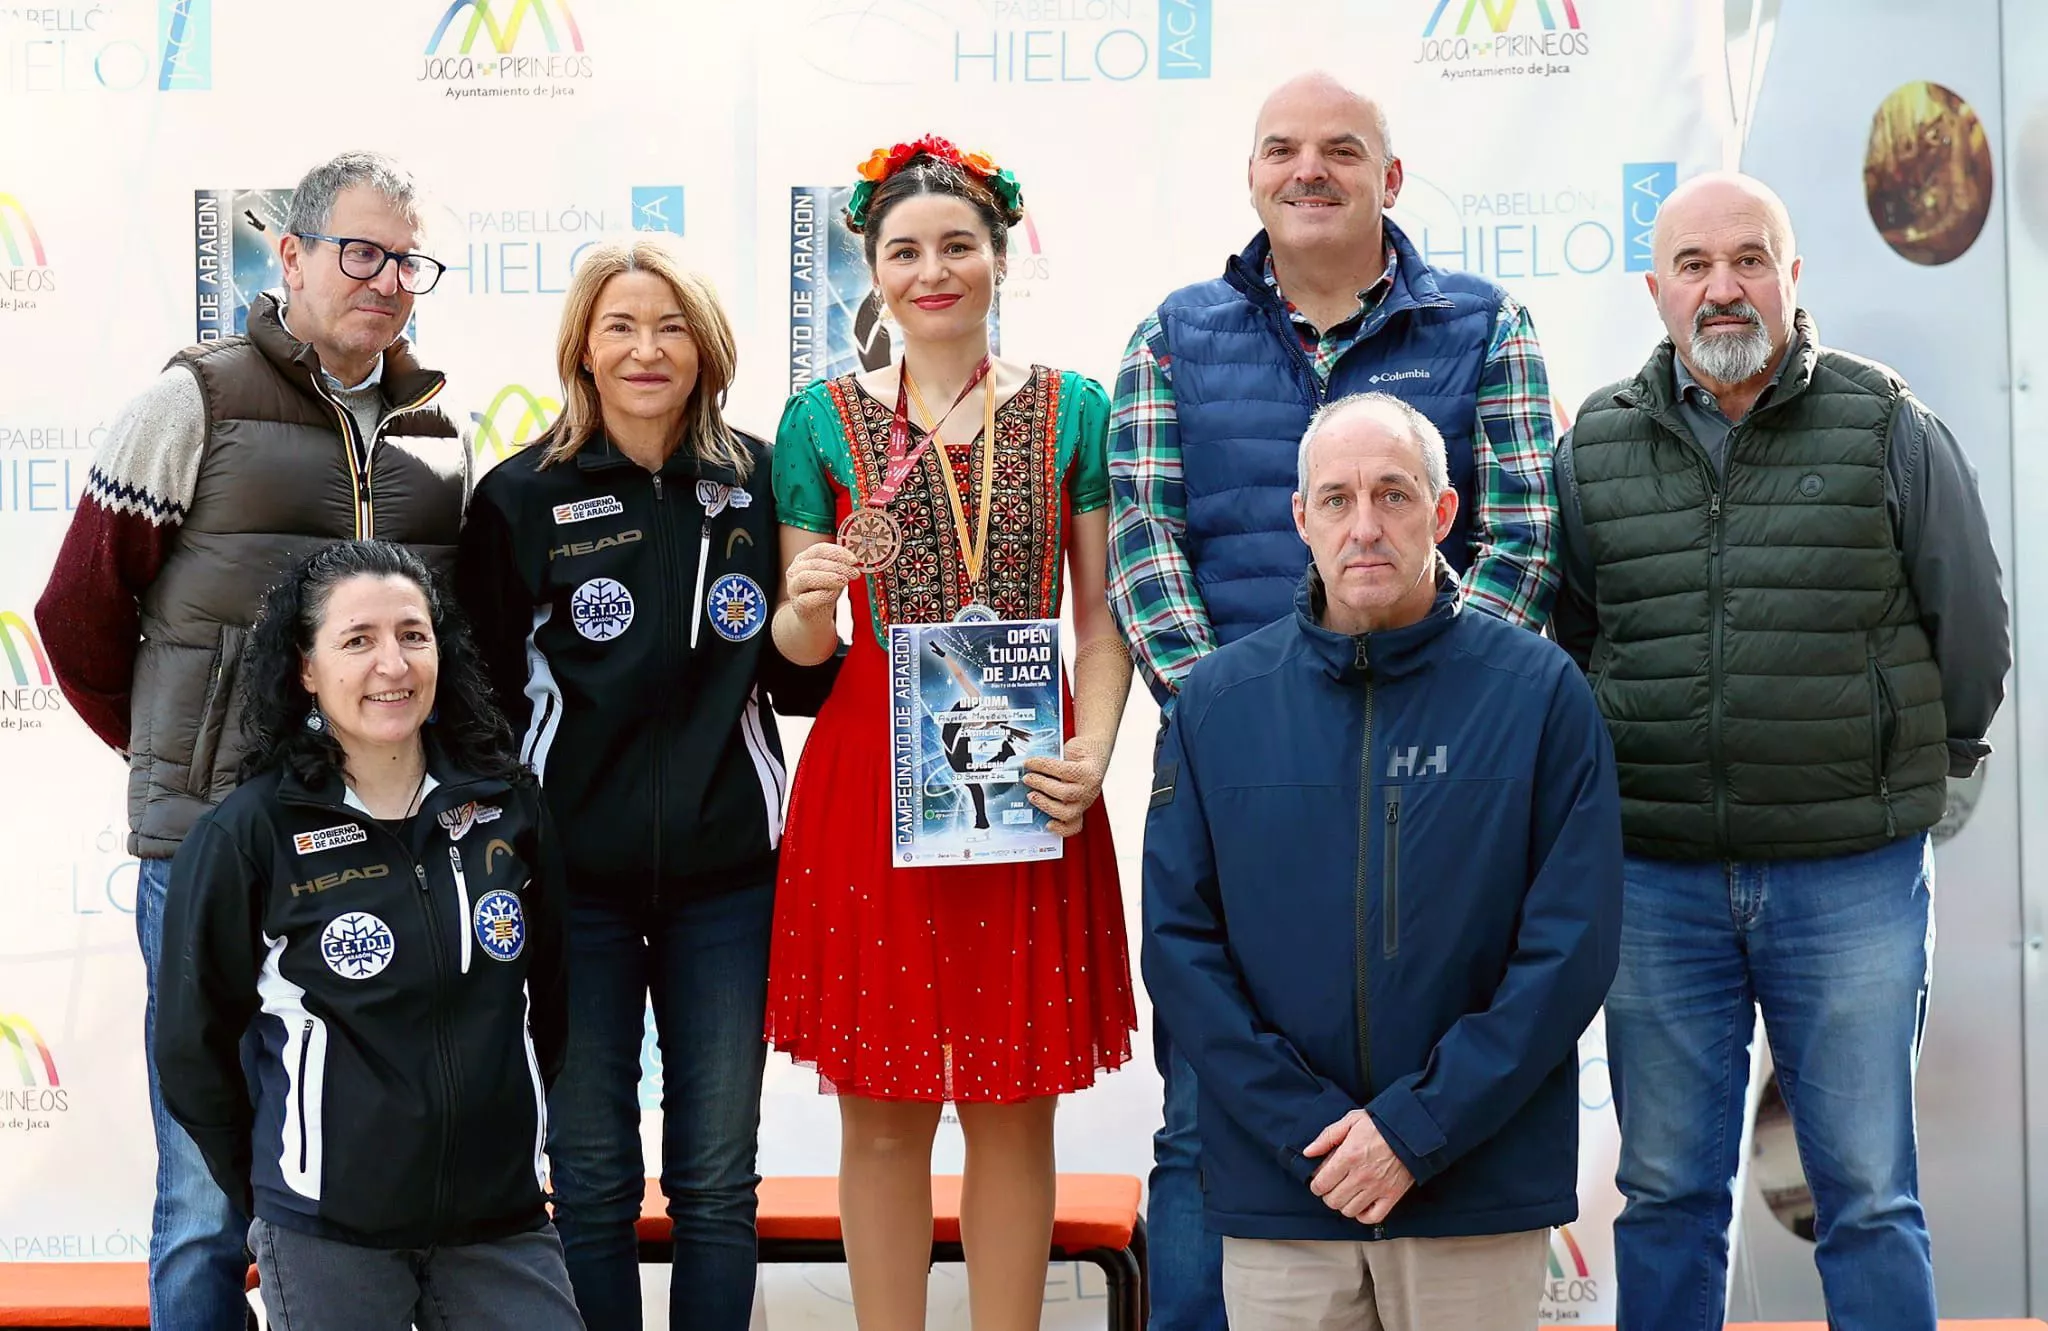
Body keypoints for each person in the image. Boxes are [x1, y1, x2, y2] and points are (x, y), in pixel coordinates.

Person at [1106, 71, 1560, 1329]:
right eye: (1282, 150)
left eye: (1342, 150)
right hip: (1241, 787)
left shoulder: (1484, 325)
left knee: (1448, 1077)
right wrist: (1238, 723)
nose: (1310, 170)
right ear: (1251, 176)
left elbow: (1519, 534)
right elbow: (1144, 541)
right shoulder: (1171, 334)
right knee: (1210, 1117)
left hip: (1448, 789)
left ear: (1390, 178)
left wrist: (1460, 711)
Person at [1551, 171, 2011, 1331]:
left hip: (1846, 875)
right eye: (1694, 266)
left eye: (1747, 259)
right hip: (1653, 882)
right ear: (1653, 288)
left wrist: (1924, 774)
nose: (1721, 288)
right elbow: (1569, 638)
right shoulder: (1596, 442)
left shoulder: (1882, 419)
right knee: (1662, 1194)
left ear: (1790, 276)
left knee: (1863, 1192)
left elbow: (1970, 625)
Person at [33, 151, 463, 1329]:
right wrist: (189, 769)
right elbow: (75, 616)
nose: (383, 279)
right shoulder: (195, 401)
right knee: (205, 1194)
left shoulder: (439, 434)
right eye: (357, 251)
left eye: (405, 261)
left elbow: (448, 654)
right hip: (214, 854)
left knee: (337, 1178)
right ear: (290, 255)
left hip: (374, 851)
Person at [1143, 392, 1620, 1331]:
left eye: (1395, 495)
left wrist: (1415, 1129)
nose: (1365, 525)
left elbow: (1571, 949)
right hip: (1289, 1192)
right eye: (1337, 499)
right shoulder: (1219, 705)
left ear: (1443, 514)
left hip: (1473, 1188)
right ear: (1300, 519)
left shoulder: (1538, 695)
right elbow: (1179, 947)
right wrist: (1310, 1133)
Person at [766, 135, 1138, 1331]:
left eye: (956, 246)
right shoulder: (815, 420)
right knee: (877, 1106)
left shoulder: (1072, 408)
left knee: (1012, 1096)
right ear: (871, 269)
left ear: (997, 256)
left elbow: (1099, 617)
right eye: (904, 250)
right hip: (874, 770)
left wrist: (1095, 750)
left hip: (1027, 766)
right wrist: (811, 599)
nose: (933, 270)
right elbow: (801, 650)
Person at [455, 239, 839, 1331]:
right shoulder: (520, 497)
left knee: (717, 1180)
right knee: (589, 1177)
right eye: (620, 324)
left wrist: (811, 615)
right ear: (581, 343)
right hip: (574, 886)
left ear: (705, 344)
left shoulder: (761, 481)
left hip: (730, 883)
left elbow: (798, 677)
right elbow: (476, 699)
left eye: (669, 325)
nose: (645, 348)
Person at [153, 540, 578, 1331]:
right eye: (358, 640)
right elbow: (191, 1046)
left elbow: (548, 1003)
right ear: (306, 668)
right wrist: (285, 1189)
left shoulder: (507, 808)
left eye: (413, 635)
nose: (394, 664)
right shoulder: (251, 834)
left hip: (501, 1221)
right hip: (328, 1235)